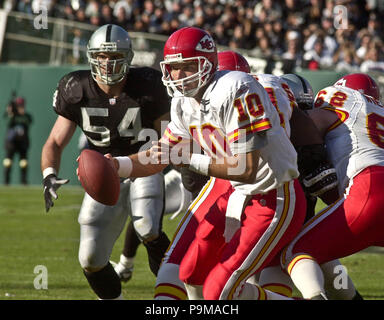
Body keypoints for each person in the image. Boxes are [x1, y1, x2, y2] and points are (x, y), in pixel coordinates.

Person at [104, 27, 307, 300]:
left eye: (186, 67)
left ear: (207, 63)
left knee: (219, 291)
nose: (177, 76)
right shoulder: (182, 103)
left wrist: (189, 159)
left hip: (273, 196)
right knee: (190, 274)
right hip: (236, 194)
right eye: (173, 68)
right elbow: (161, 154)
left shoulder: (237, 88)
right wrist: (117, 166)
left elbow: (245, 169)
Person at [41, 24, 171, 300]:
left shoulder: (148, 85)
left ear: (128, 57)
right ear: (91, 57)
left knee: (147, 225)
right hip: (103, 173)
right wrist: (49, 174)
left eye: (114, 57)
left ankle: (178, 295)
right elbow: (54, 141)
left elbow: (168, 141)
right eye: (102, 56)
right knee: (90, 259)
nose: (108, 63)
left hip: (143, 164)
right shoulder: (75, 87)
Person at [281, 73, 384, 300]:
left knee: (297, 252)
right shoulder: (377, 114)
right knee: (321, 247)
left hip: (371, 187)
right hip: (371, 190)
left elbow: (307, 125)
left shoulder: (343, 98)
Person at [3, 95, 32, 185]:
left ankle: (24, 181)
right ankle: (6, 182)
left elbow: (28, 122)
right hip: (11, 143)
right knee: (8, 162)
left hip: (22, 143)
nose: (20, 107)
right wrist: (11, 112)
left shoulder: (26, 116)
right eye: (18, 106)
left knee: (23, 162)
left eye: (21, 105)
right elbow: (8, 122)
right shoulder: (12, 116)